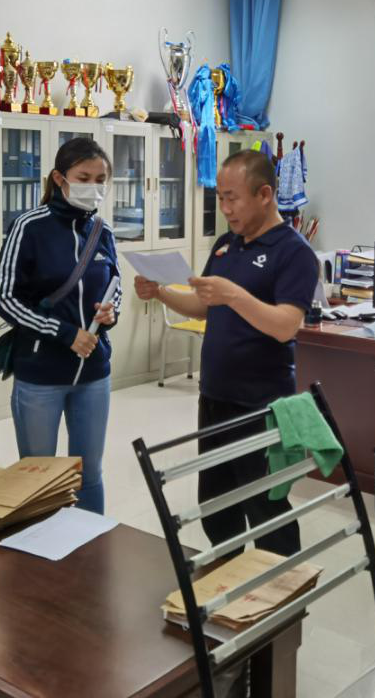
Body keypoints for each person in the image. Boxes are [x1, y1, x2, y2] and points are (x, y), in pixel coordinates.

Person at [134, 150, 318, 555]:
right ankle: (227, 574)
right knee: (216, 504)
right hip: (215, 397)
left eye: (232, 198)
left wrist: (234, 295)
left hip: (260, 404)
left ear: (264, 194)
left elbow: (286, 325)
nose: (225, 208)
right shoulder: (225, 245)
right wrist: (160, 292)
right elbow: (204, 307)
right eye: (220, 198)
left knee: (265, 503)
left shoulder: (294, 252)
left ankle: (284, 585)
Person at [0, 137, 121, 515]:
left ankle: (91, 543)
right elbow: (4, 297)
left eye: (101, 179)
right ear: (59, 179)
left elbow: (116, 286)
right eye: (84, 178)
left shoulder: (103, 231)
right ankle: (39, 548)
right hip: (41, 375)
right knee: (38, 477)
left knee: (89, 474)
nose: (94, 187)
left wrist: (111, 312)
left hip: (94, 373)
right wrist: (65, 334)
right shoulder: (29, 227)